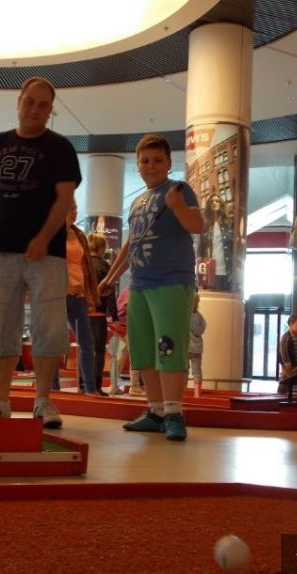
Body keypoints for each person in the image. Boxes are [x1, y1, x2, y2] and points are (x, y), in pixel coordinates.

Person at [0, 76, 81, 428]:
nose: (34, 109)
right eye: (30, 101)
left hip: (49, 254)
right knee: (1, 323)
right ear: (19, 102)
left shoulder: (60, 148)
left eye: (43, 105)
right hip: (3, 250)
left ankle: (43, 401)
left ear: (50, 111)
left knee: (49, 325)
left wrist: (44, 237)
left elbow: (65, 198)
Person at [99, 134, 204, 441]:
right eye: (145, 161)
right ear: (138, 165)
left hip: (171, 282)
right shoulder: (138, 202)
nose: (151, 166)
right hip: (140, 285)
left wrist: (177, 206)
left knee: (168, 347)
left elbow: (198, 226)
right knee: (143, 349)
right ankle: (155, 411)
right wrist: (110, 278)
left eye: (158, 160)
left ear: (169, 163)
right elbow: (132, 244)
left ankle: (174, 413)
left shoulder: (178, 190)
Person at [58, 200, 101, 396]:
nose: (74, 212)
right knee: (56, 342)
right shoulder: (53, 233)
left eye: (76, 209)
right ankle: (53, 387)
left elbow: (85, 267)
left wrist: (89, 294)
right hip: (58, 293)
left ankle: (90, 388)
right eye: (71, 209)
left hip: (78, 294)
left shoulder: (79, 234)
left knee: (87, 342)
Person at [88, 232, 119, 396]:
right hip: (99, 315)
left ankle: (83, 383)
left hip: (83, 312)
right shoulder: (105, 267)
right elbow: (110, 294)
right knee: (99, 351)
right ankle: (97, 385)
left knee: (85, 349)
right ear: (101, 248)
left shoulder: (84, 264)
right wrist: (114, 317)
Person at [197, 193, 233, 291]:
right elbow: (200, 249)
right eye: (212, 201)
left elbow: (233, 246)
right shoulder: (205, 226)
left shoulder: (228, 223)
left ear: (221, 204)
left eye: (217, 201)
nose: (214, 203)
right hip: (210, 270)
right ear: (209, 205)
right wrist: (200, 273)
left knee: (225, 298)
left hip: (226, 270)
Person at [278, 314, 297, 394]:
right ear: (291, 324)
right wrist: (287, 363)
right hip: (290, 367)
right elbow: (283, 351)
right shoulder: (286, 337)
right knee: (286, 383)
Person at [188, 289, 206, 398]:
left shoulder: (185, 316)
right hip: (197, 348)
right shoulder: (199, 317)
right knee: (197, 371)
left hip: (186, 348)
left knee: (184, 370)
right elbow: (201, 329)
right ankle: (197, 394)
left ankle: (182, 391)